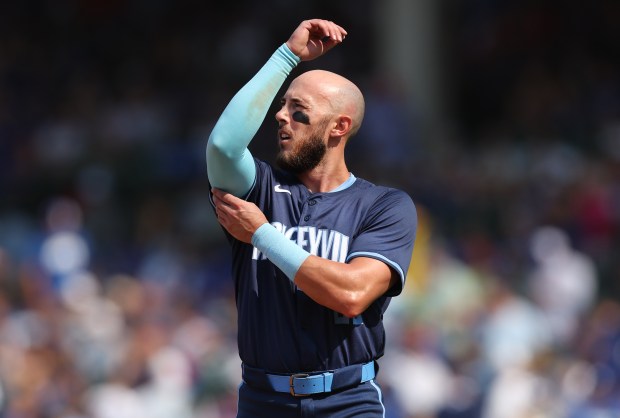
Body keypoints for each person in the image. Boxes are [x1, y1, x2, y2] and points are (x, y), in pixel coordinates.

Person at [206, 19, 417, 417]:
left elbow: (351, 295)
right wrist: (287, 55)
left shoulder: (384, 205)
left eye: (298, 110)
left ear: (339, 127)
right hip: (262, 399)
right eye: (282, 106)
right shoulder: (262, 189)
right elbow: (223, 145)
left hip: (348, 399)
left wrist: (263, 235)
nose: (280, 117)